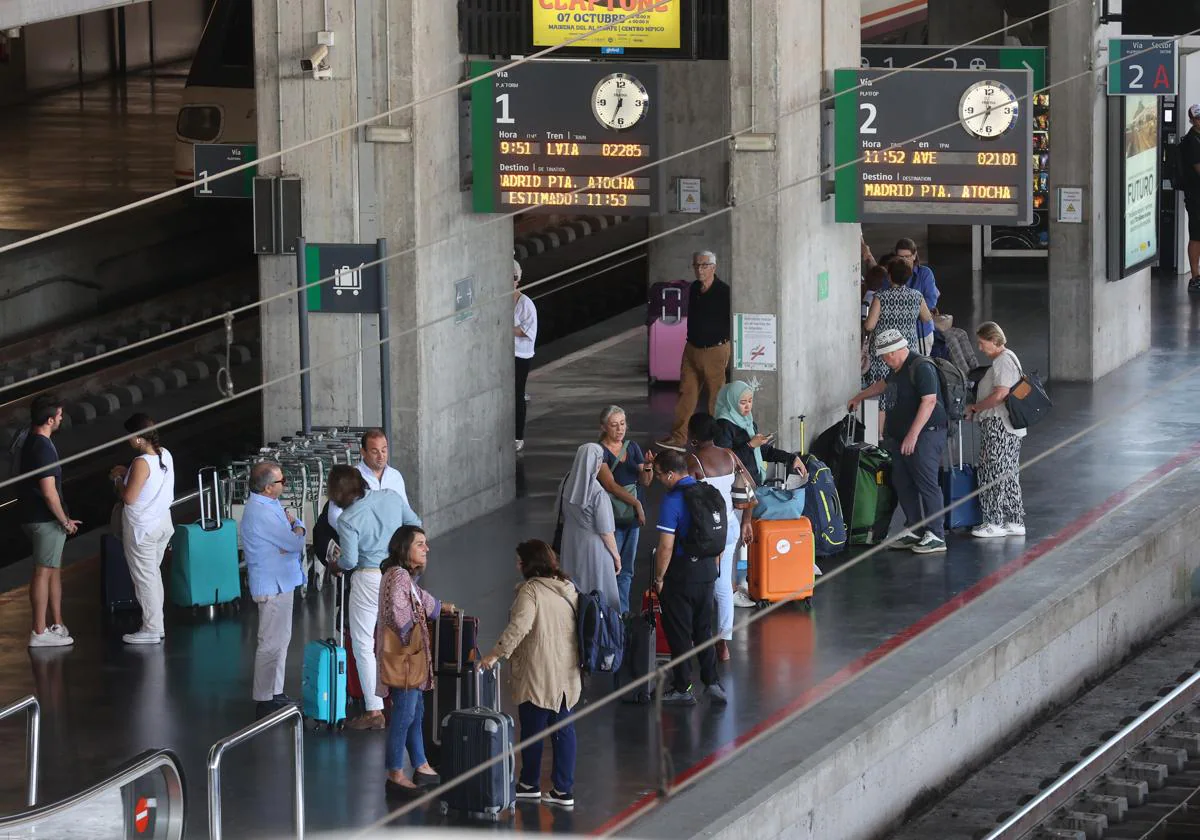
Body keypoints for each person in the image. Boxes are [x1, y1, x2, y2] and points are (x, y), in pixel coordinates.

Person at [480, 540, 580, 807]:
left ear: (529, 563)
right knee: (564, 729)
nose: (517, 565)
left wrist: (494, 654)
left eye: (519, 560)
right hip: (567, 672)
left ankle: (529, 783)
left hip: (538, 671)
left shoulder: (531, 591)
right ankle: (563, 788)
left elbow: (519, 627)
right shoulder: (568, 588)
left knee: (533, 729)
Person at [331, 464, 422, 730]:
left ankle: (374, 711)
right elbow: (416, 524)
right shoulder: (392, 498)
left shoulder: (347, 519)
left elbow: (350, 560)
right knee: (402, 636)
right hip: (399, 574)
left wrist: (336, 565)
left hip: (368, 578)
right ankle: (407, 695)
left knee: (363, 644)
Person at [848, 328, 949, 555]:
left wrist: (913, 435)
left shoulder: (921, 367)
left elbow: (929, 402)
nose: (885, 360)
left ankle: (936, 535)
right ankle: (915, 528)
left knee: (926, 483)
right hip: (901, 438)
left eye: (886, 356)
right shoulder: (898, 368)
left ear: (897, 350)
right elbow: (883, 384)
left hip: (925, 435)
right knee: (903, 482)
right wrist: (859, 397)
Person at [651, 449, 728, 707]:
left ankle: (683, 687)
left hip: (681, 575)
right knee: (703, 629)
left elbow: (666, 547)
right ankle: (713, 682)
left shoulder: (673, 500)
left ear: (671, 474)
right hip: (707, 572)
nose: (659, 479)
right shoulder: (708, 493)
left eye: (660, 475)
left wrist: (659, 578)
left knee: (680, 633)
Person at [376, 525, 448, 796]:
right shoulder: (398, 577)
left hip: (408, 658)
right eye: (420, 544)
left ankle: (421, 765)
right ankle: (395, 772)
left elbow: (426, 602)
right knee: (404, 714)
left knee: (415, 712)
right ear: (405, 548)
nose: (426, 548)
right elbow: (398, 613)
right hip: (405, 659)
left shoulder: (401, 576)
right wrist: (411, 635)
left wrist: (441, 608)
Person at [240, 462, 307, 719]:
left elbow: (289, 543)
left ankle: (275, 692)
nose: (285, 484)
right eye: (282, 481)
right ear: (268, 487)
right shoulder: (262, 512)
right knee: (270, 643)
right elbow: (294, 542)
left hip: (282, 583)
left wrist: (292, 533)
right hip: (272, 586)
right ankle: (264, 698)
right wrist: (298, 527)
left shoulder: (269, 504)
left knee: (281, 640)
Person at [686, 414, 754, 662]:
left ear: (693, 436)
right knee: (724, 586)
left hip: (705, 532)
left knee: (699, 584)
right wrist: (746, 520)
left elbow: (685, 496)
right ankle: (723, 644)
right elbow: (750, 485)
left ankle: (697, 637)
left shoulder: (694, 461)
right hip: (730, 527)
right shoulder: (729, 455)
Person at [108, 414, 175, 645]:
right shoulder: (164, 454)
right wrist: (128, 473)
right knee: (153, 576)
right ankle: (158, 625)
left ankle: (151, 628)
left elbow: (129, 497)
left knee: (145, 579)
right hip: (163, 524)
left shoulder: (140, 463)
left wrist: (118, 478)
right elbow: (150, 481)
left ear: (137, 438)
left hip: (142, 530)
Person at [657, 251, 731, 451]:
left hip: (715, 349)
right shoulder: (694, 288)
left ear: (713, 268)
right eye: (697, 265)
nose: (700, 269)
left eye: (704, 265)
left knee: (716, 397)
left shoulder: (724, 291)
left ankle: (716, 441)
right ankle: (678, 437)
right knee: (686, 393)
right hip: (692, 348)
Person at [20, 395, 78, 648]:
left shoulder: (30, 439)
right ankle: (39, 631)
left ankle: (56, 624)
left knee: (52, 570)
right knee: (43, 571)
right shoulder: (42, 448)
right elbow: (48, 491)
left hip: (41, 518)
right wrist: (64, 520)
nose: (62, 418)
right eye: (59, 415)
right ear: (50, 419)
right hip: (44, 519)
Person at [964, 322, 1027, 538]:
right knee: (1008, 473)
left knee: (992, 471)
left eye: (982, 343)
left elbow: (1000, 394)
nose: (980, 348)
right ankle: (1015, 520)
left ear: (994, 340)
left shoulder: (1002, 361)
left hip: (999, 426)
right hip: (1008, 427)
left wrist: (976, 407)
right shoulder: (1010, 357)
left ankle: (994, 521)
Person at [597, 406, 652, 614]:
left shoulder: (632, 447)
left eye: (622, 423)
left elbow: (645, 481)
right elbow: (609, 484)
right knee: (612, 568)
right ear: (603, 427)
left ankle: (623, 613)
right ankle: (609, 613)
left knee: (627, 570)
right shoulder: (599, 451)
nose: (620, 429)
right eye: (614, 425)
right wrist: (636, 504)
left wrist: (648, 466)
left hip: (631, 520)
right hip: (611, 520)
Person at [555, 443, 621, 611]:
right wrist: (616, 556)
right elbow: (606, 531)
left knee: (573, 589)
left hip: (570, 541)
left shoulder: (566, 481)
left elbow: (559, 511)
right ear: (597, 463)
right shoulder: (598, 493)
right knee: (598, 589)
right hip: (594, 547)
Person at [326, 429, 412, 529]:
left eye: (384, 450)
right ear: (363, 452)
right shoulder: (349, 477)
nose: (381, 456)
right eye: (375, 452)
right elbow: (334, 516)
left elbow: (405, 510)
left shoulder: (395, 476)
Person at [892, 238, 939, 353]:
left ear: (914, 255)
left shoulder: (925, 273)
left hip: (920, 332)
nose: (903, 260)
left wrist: (905, 311)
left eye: (907, 256)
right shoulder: (890, 274)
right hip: (897, 333)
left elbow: (931, 301)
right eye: (900, 257)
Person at [514, 259, 538, 452]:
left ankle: (518, 436)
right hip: (505, 355)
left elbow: (527, 330)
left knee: (517, 393)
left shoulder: (525, 303)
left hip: (521, 355)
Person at [1180, 105, 1200, 291]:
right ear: (1191, 120)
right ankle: (1195, 277)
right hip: (1196, 196)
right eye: (1198, 118)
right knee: (1196, 235)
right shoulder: (1191, 142)